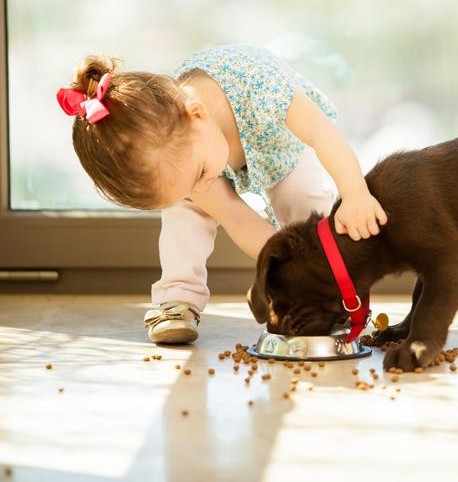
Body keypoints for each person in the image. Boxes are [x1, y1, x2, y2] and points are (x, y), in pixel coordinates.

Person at [57, 43, 387, 344]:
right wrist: (278, 266)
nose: (200, 188)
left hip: (280, 145)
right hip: (202, 153)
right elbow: (235, 216)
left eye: (199, 176)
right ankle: (177, 297)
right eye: (188, 186)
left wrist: (355, 192)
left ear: (198, 114)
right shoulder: (184, 156)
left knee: (304, 197)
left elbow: (321, 132)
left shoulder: (262, 89)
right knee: (184, 214)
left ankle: (325, 292)